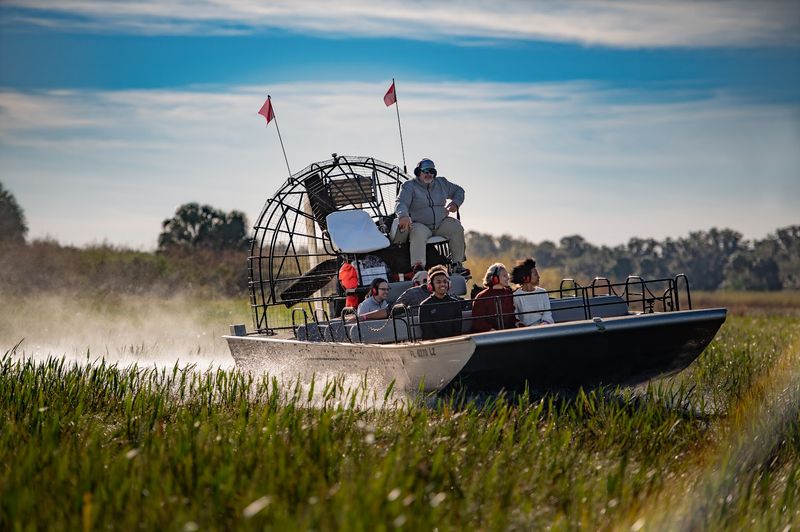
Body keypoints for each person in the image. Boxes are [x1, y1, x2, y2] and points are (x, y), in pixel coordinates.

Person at [393, 158, 468, 275]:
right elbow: (401, 202)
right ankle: (418, 268)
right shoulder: (409, 186)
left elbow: (459, 191)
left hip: (441, 223)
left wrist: (455, 203)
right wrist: (403, 216)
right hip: (421, 224)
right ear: (418, 172)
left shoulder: (442, 183)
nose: (429, 174)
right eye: (426, 171)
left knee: (456, 227)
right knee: (416, 232)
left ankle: (457, 264)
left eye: (432, 171)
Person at [419, 265, 463, 340]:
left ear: (449, 284)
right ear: (431, 285)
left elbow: (457, 329)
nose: (443, 284)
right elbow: (427, 332)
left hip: (454, 342)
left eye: (445, 282)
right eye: (438, 282)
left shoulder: (455, 303)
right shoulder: (424, 306)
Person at [470, 263, 517, 333]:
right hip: (489, 337)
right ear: (495, 278)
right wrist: (493, 331)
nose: (508, 278)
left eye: (507, 275)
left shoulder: (509, 293)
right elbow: (478, 322)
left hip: (509, 335)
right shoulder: (481, 297)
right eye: (504, 276)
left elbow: (513, 316)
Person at [511, 258, 553, 326]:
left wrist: (544, 324)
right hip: (526, 331)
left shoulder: (543, 292)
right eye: (535, 275)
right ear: (526, 278)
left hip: (544, 328)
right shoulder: (516, 296)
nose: (539, 277)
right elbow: (516, 318)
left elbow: (547, 314)